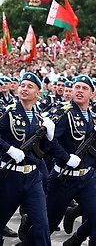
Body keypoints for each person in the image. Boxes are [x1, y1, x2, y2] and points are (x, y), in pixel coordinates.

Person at [39, 75, 96, 245]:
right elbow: (50, 140)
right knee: (48, 223)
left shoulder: (93, 117)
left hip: (87, 177)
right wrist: (65, 157)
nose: (79, 91)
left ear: (92, 94)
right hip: (64, 177)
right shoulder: (64, 113)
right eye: (77, 87)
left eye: (84, 88)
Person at [0, 72, 55, 246]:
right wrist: (9, 149)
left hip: (32, 178)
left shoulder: (40, 120)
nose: (24, 89)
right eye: (22, 85)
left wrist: (49, 137)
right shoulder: (8, 113)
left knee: (42, 225)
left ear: (38, 93)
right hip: (9, 177)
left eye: (29, 87)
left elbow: (44, 151)